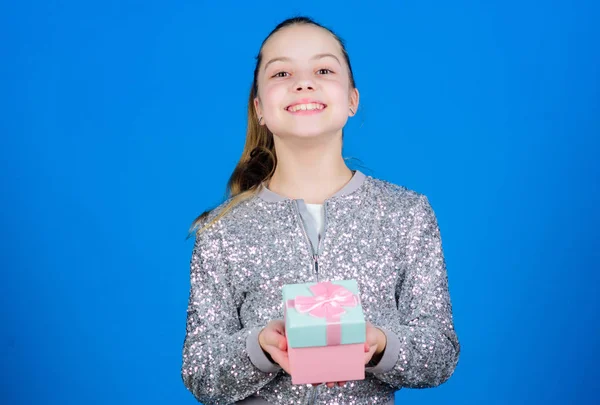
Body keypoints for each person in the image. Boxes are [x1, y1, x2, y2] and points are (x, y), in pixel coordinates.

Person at [181, 16, 460, 405]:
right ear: (260, 107)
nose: (303, 82)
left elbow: (441, 353)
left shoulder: (407, 214)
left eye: (324, 69)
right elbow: (199, 370)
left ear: (352, 100)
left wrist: (380, 344)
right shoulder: (222, 231)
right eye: (281, 72)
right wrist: (261, 347)